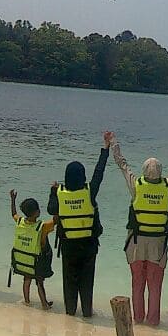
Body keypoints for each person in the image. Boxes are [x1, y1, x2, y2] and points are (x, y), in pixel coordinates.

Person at [109, 129, 168, 326]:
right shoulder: (166, 187)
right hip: (157, 245)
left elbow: (122, 164)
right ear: (160, 172)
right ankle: (153, 323)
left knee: (137, 284)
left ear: (144, 171)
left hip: (136, 243)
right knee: (155, 286)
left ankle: (138, 320)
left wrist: (113, 142)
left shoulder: (136, 185)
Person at [49, 134, 111, 317]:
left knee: (69, 280)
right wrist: (105, 149)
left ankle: (70, 313)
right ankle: (87, 313)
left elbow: (51, 209)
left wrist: (52, 191)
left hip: (68, 246)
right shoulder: (90, 192)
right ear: (82, 176)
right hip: (88, 246)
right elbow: (99, 173)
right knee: (86, 281)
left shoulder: (60, 193)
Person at [8, 189, 54, 309]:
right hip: (37, 262)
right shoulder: (42, 226)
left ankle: (27, 301)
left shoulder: (19, 221)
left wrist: (12, 200)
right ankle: (44, 304)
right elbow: (56, 220)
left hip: (24, 262)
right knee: (40, 282)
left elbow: (13, 213)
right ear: (36, 212)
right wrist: (55, 198)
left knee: (26, 279)